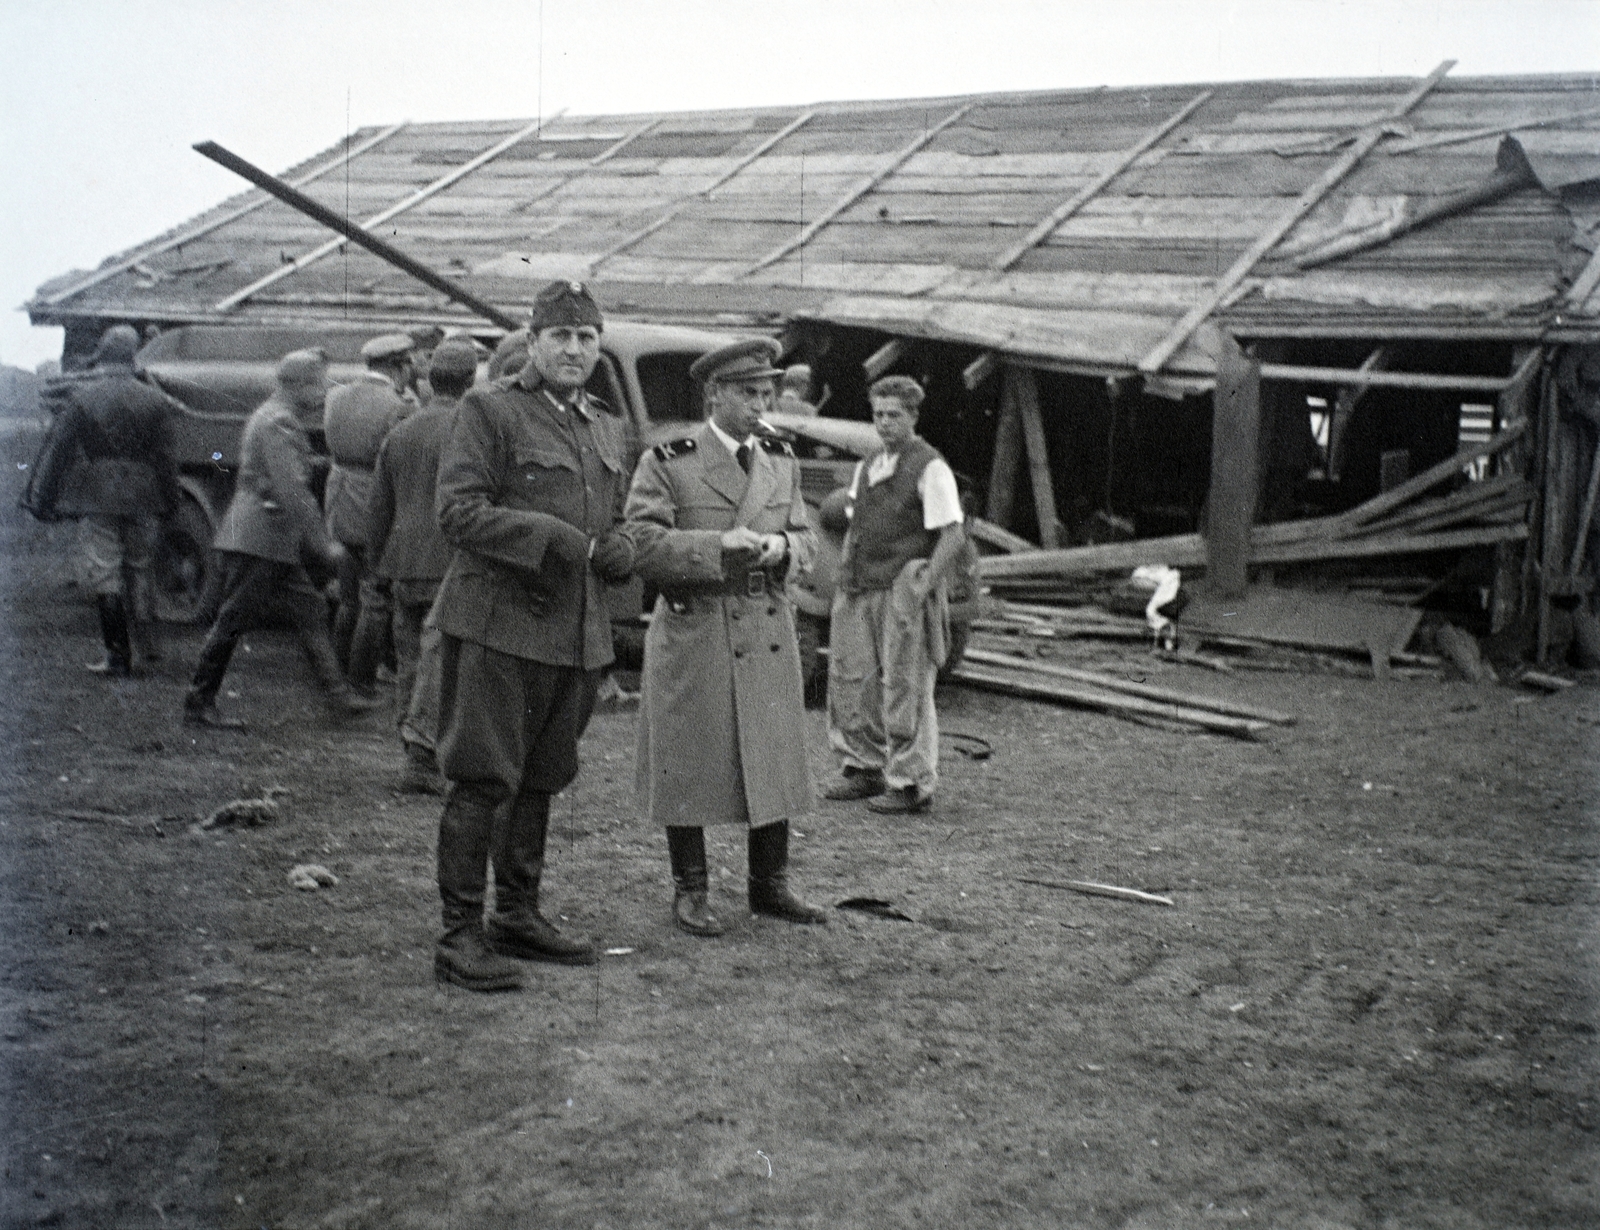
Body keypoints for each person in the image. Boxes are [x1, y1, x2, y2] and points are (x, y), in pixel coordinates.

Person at [428, 280, 635, 992]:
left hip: (572, 635)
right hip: (500, 627)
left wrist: (620, 547)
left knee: (543, 777)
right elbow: (456, 514)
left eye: (586, 338)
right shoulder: (489, 411)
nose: (575, 350)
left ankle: (517, 914)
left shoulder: (606, 425)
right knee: (483, 778)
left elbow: (610, 518)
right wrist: (548, 537)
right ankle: (458, 936)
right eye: (561, 338)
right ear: (535, 341)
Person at [625, 337, 827, 938]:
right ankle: (691, 889)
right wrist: (715, 546)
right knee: (688, 760)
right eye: (745, 393)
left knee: (774, 757)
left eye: (765, 393)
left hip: (764, 621)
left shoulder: (779, 456)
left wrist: (785, 547)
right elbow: (639, 542)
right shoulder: (668, 459)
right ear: (713, 394)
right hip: (698, 625)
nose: (757, 405)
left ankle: (770, 886)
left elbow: (809, 539)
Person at [182, 349, 379, 729]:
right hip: (261, 537)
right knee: (233, 620)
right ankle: (198, 701)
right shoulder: (280, 423)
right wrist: (322, 543)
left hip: (268, 538)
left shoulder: (272, 418)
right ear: (298, 384)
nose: (322, 393)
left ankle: (338, 698)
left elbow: (283, 474)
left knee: (310, 612)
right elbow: (293, 491)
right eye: (318, 383)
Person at [821, 374, 966, 814]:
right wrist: (845, 576)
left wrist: (923, 586)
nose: (884, 423)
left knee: (905, 684)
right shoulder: (868, 465)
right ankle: (863, 767)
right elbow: (855, 523)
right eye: (878, 414)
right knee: (853, 679)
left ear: (913, 417)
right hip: (861, 586)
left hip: (902, 590)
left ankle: (909, 781)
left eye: (893, 415)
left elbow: (953, 534)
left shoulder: (929, 466)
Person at [25, 324, 181, 677]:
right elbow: (167, 460)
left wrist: (43, 501)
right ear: (133, 356)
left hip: (100, 495)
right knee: (140, 568)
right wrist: (171, 502)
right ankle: (150, 651)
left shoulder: (82, 398)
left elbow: (58, 454)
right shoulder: (155, 400)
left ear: (103, 355)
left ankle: (117, 657)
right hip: (145, 495)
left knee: (105, 573)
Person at [365, 339, 478, 795]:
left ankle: (412, 743)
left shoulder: (403, 430)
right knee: (439, 661)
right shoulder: (470, 431)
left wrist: (377, 564)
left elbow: (379, 506)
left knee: (411, 655)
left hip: (403, 563)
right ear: (471, 381)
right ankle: (422, 754)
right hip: (448, 561)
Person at [324, 333, 416, 688]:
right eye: (408, 364)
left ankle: (339, 672)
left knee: (348, 597)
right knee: (375, 598)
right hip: (374, 504)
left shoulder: (336, 396)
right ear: (398, 366)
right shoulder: (398, 406)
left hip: (340, 501)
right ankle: (361, 682)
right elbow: (401, 463)